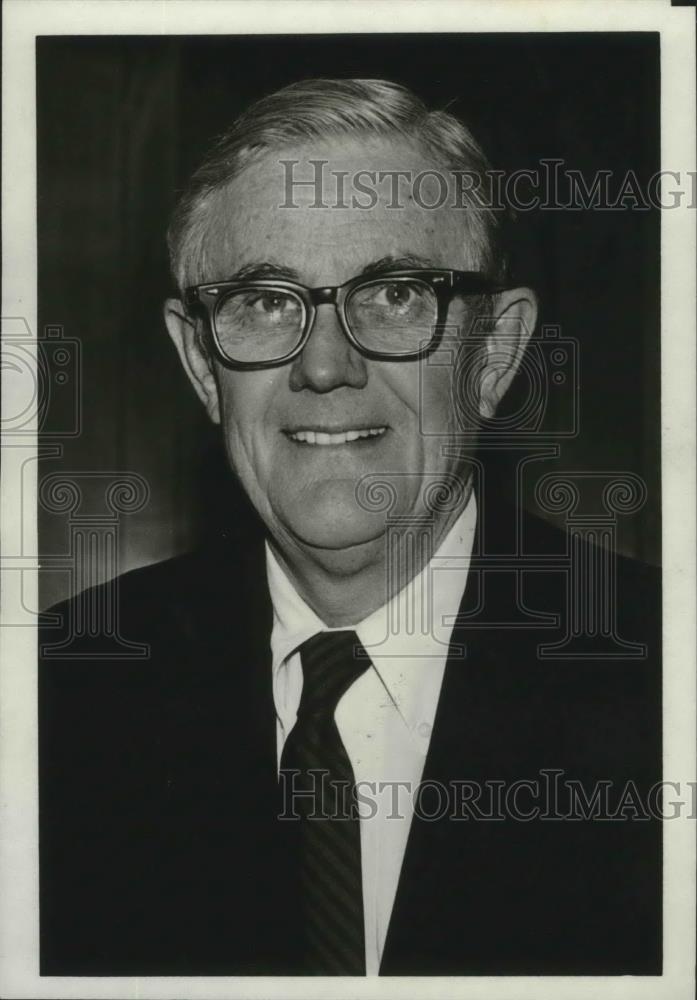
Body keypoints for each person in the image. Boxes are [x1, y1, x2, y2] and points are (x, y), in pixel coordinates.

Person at [39, 78, 661, 977]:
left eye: (396, 295)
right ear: (201, 364)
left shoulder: (664, 682)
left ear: (494, 354)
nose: (325, 365)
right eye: (263, 302)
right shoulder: (58, 701)